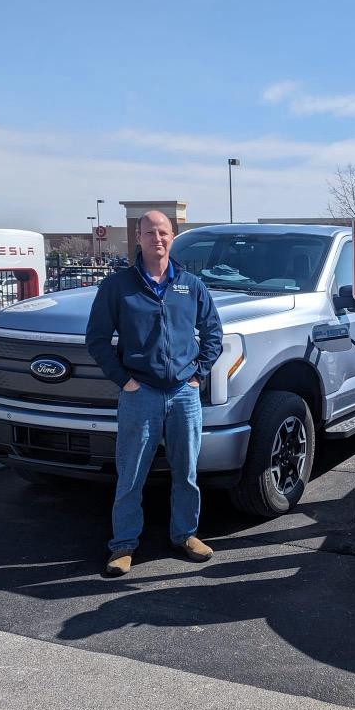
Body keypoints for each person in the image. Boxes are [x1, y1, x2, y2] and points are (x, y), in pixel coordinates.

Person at [86, 210, 223, 576]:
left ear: (173, 236)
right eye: (149, 233)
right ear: (138, 237)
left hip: (183, 394)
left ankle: (185, 534)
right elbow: (97, 340)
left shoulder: (191, 285)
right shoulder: (118, 287)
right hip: (139, 394)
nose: (157, 239)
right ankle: (124, 545)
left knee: (187, 472)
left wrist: (197, 376)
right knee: (131, 474)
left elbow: (213, 334)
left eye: (163, 232)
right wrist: (124, 381)